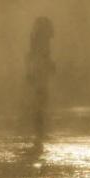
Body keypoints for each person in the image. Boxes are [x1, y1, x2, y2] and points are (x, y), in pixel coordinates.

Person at [26, 17, 55, 148]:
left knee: (40, 103)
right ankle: (39, 132)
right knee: (40, 103)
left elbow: (32, 56)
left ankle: (40, 131)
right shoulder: (40, 42)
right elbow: (38, 56)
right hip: (39, 73)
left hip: (39, 72)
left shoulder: (37, 40)